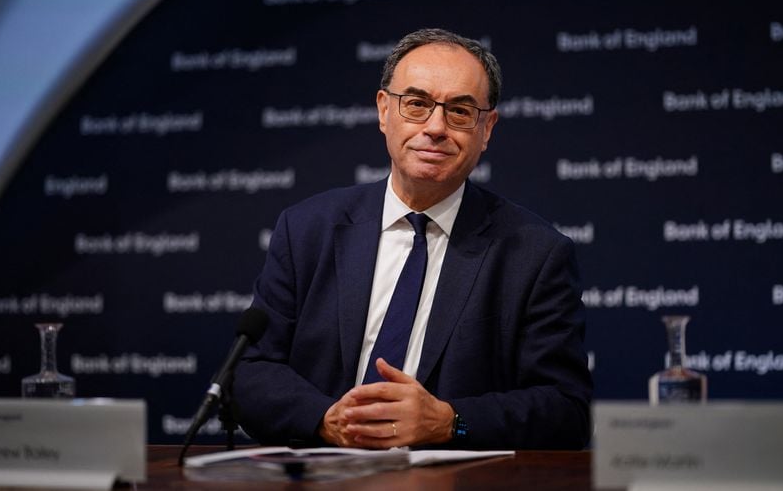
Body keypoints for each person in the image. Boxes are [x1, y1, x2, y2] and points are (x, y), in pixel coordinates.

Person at [233, 28, 592, 450]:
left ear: (487, 128)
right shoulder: (307, 230)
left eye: (460, 111)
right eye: (417, 104)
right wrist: (326, 420)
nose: (436, 127)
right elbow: (250, 372)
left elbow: (566, 409)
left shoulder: (534, 254)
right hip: (323, 471)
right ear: (384, 110)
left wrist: (450, 422)